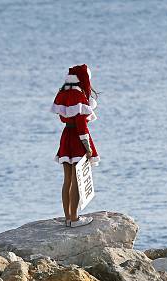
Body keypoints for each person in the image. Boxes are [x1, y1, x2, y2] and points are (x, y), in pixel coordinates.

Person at [50, 64, 100, 227]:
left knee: (68, 179)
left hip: (66, 136)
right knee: (78, 178)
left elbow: (64, 117)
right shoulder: (78, 96)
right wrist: (87, 146)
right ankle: (75, 218)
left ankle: (67, 218)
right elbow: (81, 124)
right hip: (78, 139)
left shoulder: (64, 92)